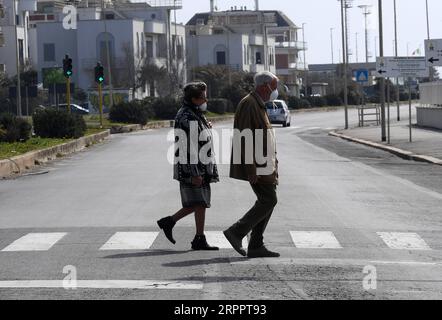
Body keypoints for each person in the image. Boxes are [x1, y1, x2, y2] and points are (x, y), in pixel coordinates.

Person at [223, 71, 280, 258]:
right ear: (265, 86)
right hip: (257, 164)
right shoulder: (249, 104)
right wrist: (251, 168)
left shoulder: (258, 103)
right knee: (269, 200)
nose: (276, 91)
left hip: (265, 163)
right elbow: (245, 138)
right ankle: (237, 232)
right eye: (275, 86)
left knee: (267, 202)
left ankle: (255, 245)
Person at [157, 82, 220, 251]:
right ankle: (172, 223)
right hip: (192, 166)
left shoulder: (195, 113)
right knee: (198, 201)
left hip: (200, 164)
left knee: (200, 202)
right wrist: (194, 172)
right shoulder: (187, 116)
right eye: (203, 97)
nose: (206, 99)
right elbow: (188, 147)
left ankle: (195, 235)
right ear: (194, 99)